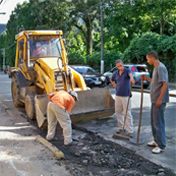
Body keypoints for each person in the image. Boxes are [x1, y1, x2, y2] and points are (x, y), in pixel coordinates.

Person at [141, 51, 169, 154]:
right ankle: (156, 141)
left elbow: (165, 84)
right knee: (153, 122)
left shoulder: (161, 67)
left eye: (148, 59)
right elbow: (155, 82)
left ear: (152, 58)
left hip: (158, 100)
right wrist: (146, 78)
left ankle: (161, 145)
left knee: (158, 122)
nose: (147, 61)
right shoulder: (156, 68)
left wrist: (160, 99)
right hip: (155, 100)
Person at [110, 59, 135, 138]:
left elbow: (131, 75)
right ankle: (121, 127)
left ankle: (130, 130)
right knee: (118, 112)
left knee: (127, 113)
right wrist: (114, 85)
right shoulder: (116, 73)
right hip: (118, 95)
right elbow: (111, 79)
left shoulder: (127, 71)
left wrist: (131, 79)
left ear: (123, 64)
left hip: (126, 95)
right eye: (118, 66)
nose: (120, 68)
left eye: (120, 66)